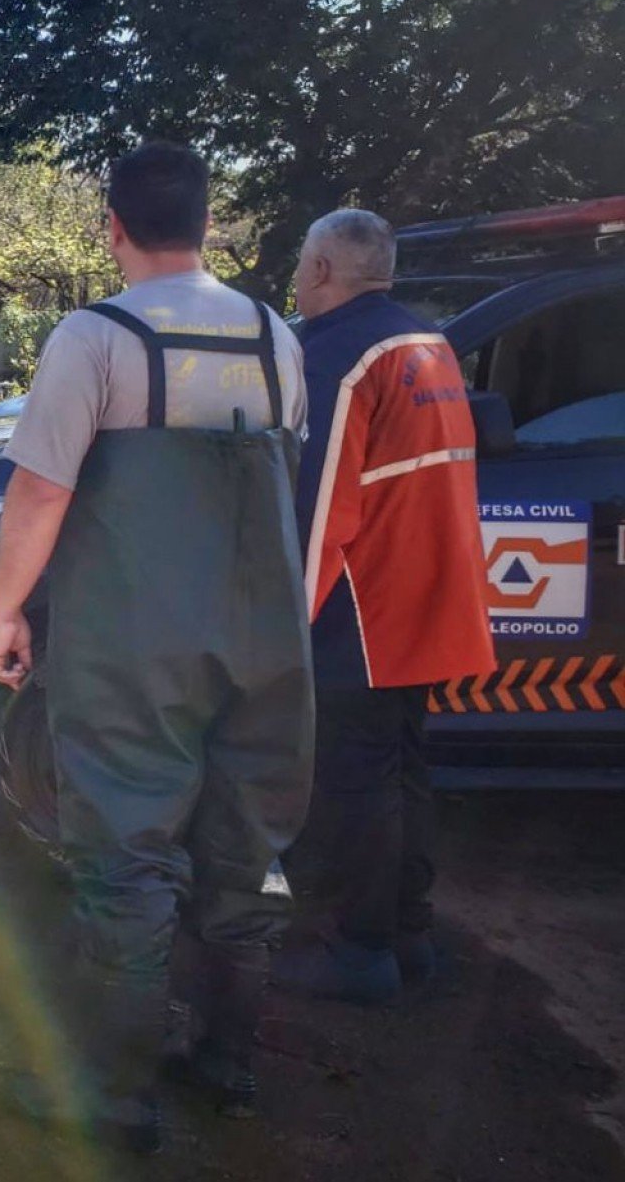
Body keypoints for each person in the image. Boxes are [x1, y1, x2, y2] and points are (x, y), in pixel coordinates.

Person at [0, 141, 313, 1152]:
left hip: (133, 643)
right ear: (211, 223)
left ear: (112, 228)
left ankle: (115, 1095)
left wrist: (7, 609)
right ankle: (228, 1061)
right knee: (244, 845)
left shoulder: (96, 338)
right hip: (263, 639)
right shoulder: (276, 336)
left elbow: (41, 491)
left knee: (127, 855)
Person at [276, 209, 494, 1004]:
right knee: (402, 768)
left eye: (302, 264)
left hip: (360, 609)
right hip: (428, 599)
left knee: (353, 781)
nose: (298, 280)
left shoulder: (339, 354)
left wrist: (282, 628)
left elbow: (321, 503)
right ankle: (409, 933)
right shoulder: (425, 341)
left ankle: (358, 951)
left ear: (325, 269)